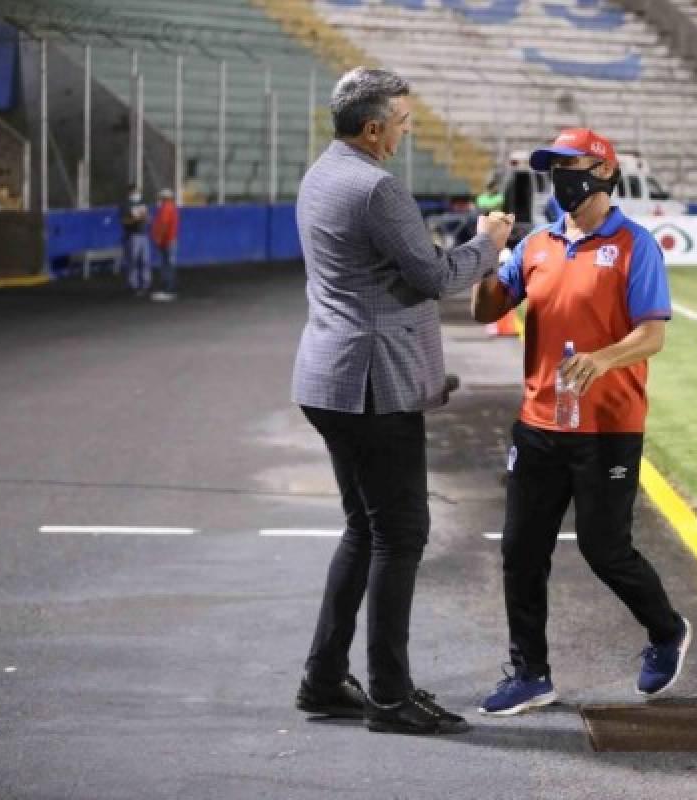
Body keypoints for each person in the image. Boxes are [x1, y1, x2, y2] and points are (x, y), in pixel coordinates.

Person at [290, 66, 514, 735]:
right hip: (372, 386)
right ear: (373, 128)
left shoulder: (321, 174)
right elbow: (432, 276)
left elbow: (386, 269)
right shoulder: (377, 187)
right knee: (400, 534)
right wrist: (488, 244)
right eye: (403, 123)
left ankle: (325, 679)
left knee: (365, 528)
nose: (406, 133)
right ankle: (390, 696)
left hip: (330, 378)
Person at [469, 128, 691, 717]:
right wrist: (488, 254)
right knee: (521, 549)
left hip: (608, 425)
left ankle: (667, 630)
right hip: (538, 423)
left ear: (603, 171)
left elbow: (654, 332)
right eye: (554, 167)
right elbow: (485, 309)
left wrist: (603, 357)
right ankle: (530, 673)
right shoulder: (536, 245)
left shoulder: (635, 245)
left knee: (604, 549)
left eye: (571, 165)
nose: (561, 175)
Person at [120, 184, 150, 295]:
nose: (136, 194)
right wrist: (136, 219)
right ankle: (133, 285)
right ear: (130, 192)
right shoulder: (125, 205)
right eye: (134, 192)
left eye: (137, 191)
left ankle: (145, 284)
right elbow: (124, 222)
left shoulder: (142, 203)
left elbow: (147, 218)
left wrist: (145, 218)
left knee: (145, 261)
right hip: (133, 235)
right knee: (133, 261)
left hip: (143, 235)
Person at [150, 188, 179, 302]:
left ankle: (168, 290)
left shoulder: (166, 208)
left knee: (167, 265)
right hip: (170, 240)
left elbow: (164, 224)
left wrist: (158, 237)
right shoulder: (171, 207)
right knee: (168, 264)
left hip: (166, 241)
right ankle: (168, 289)